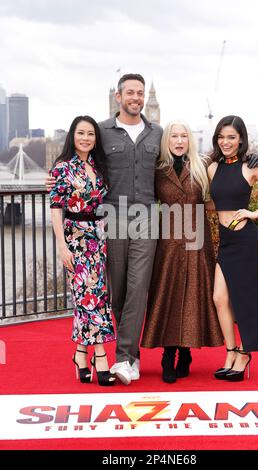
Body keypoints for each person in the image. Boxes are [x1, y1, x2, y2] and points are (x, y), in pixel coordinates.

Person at [46, 74, 163, 385]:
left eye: (140, 93)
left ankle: (126, 359)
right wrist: (55, 180)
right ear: (118, 96)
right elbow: (81, 163)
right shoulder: (102, 132)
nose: (136, 98)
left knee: (138, 288)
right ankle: (89, 354)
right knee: (116, 290)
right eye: (130, 92)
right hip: (109, 219)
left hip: (147, 218)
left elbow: (178, 162)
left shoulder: (158, 134)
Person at [141, 121, 224, 383]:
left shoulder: (202, 165)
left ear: (190, 140)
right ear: (167, 141)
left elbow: (227, 151)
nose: (179, 141)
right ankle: (167, 356)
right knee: (169, 296)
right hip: (167, 244)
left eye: (184, 136)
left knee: (192, 297)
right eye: (174, 136)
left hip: (197, 244)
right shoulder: (156, 170)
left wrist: (252, 159)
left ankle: (186, 353)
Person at [208, 115, 258, 381]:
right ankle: (231, 351)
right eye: (221, 137)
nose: (225, 142)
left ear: (241, 139)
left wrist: (254, 214)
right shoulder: (212, 168)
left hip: (246, 241)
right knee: (219, 298)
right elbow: (215, 203)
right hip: (226, 241)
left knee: (247, 301)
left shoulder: (251, 167)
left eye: (231, 137)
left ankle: (244, 353)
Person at [49, 115, 116, 386]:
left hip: (98, 238)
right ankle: (100, 357)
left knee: (92, 296)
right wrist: (61, 245)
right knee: (88, 296)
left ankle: (79, 355)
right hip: (75, 238)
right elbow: (56, 209)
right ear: (72, 136)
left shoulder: (98, 166)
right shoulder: (62, 168)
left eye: (90, 133)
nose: (86, 138)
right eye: (81, 133)